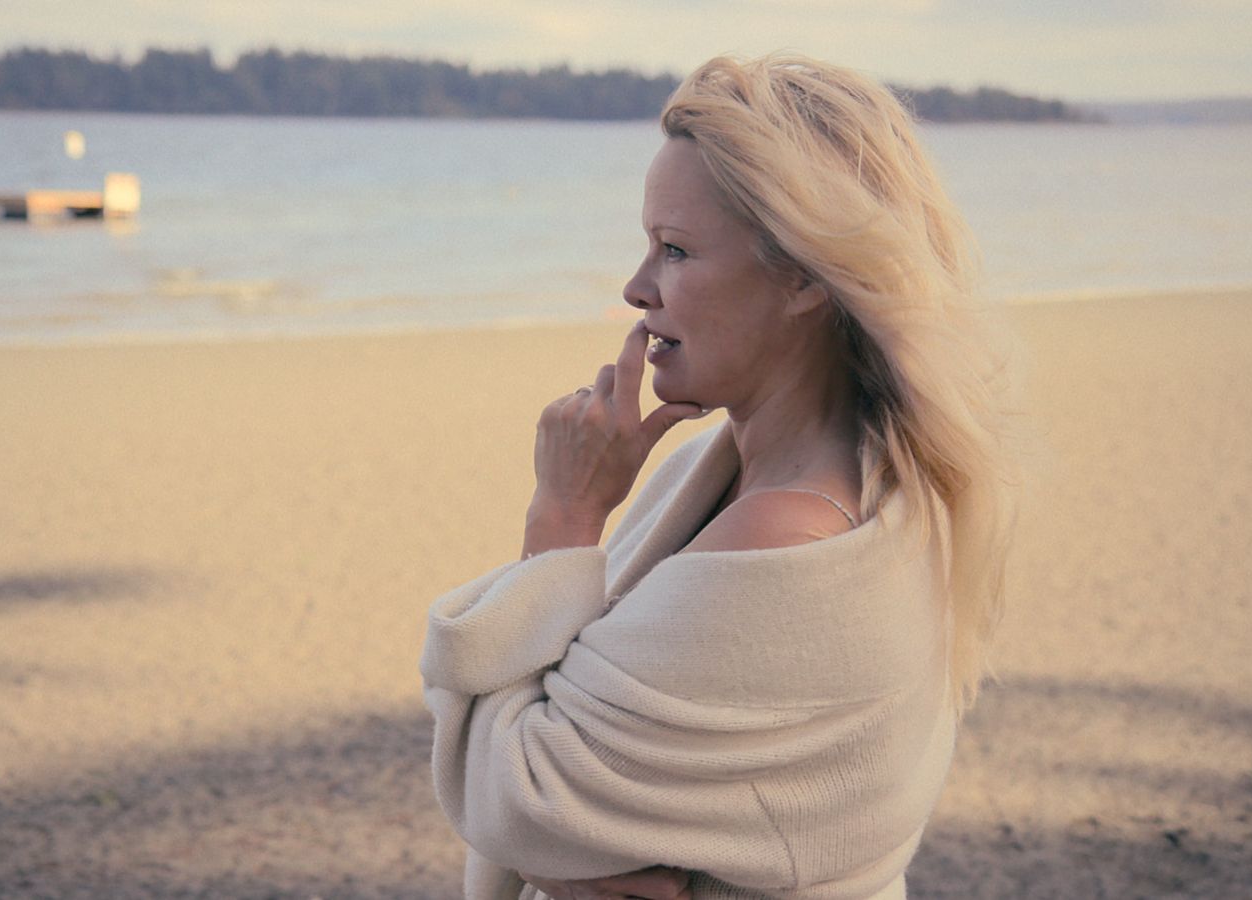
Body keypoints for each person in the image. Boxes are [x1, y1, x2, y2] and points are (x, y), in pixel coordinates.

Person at [420, 53, 1017, 900]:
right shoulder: (838, 471)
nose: (636, 289)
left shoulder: (786, 538)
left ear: (804, 272)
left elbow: (512, 797)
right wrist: (564, 858)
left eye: (674, 250)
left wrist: (564, 513)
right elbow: (550, 797)